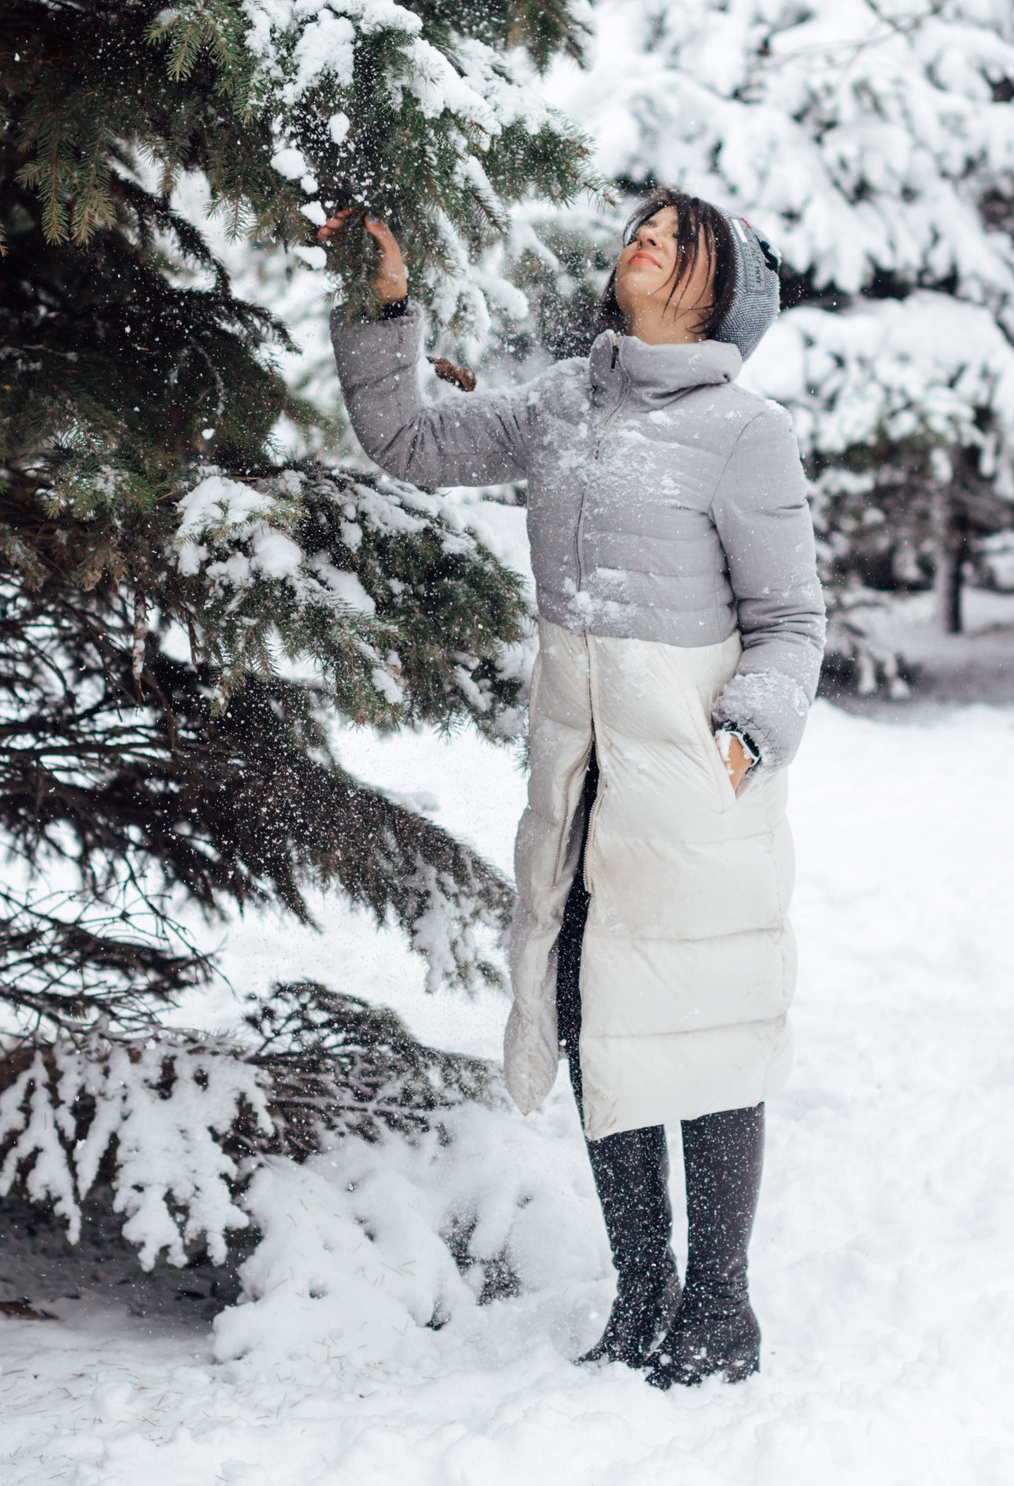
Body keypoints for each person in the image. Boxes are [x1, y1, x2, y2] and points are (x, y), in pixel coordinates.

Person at [319, 190, 824, 1387]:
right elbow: (410, 444)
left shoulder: (744, 431)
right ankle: (641, 1287)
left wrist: (741, 741)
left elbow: (791, 622)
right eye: (642, 224)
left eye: (677, 235)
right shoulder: (563, 403)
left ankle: (720, 1305)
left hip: (694, 780)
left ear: (717, 290)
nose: (645, 236)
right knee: (598, 1015)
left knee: (701, 1028)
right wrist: (382, 309)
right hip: (581, 774)